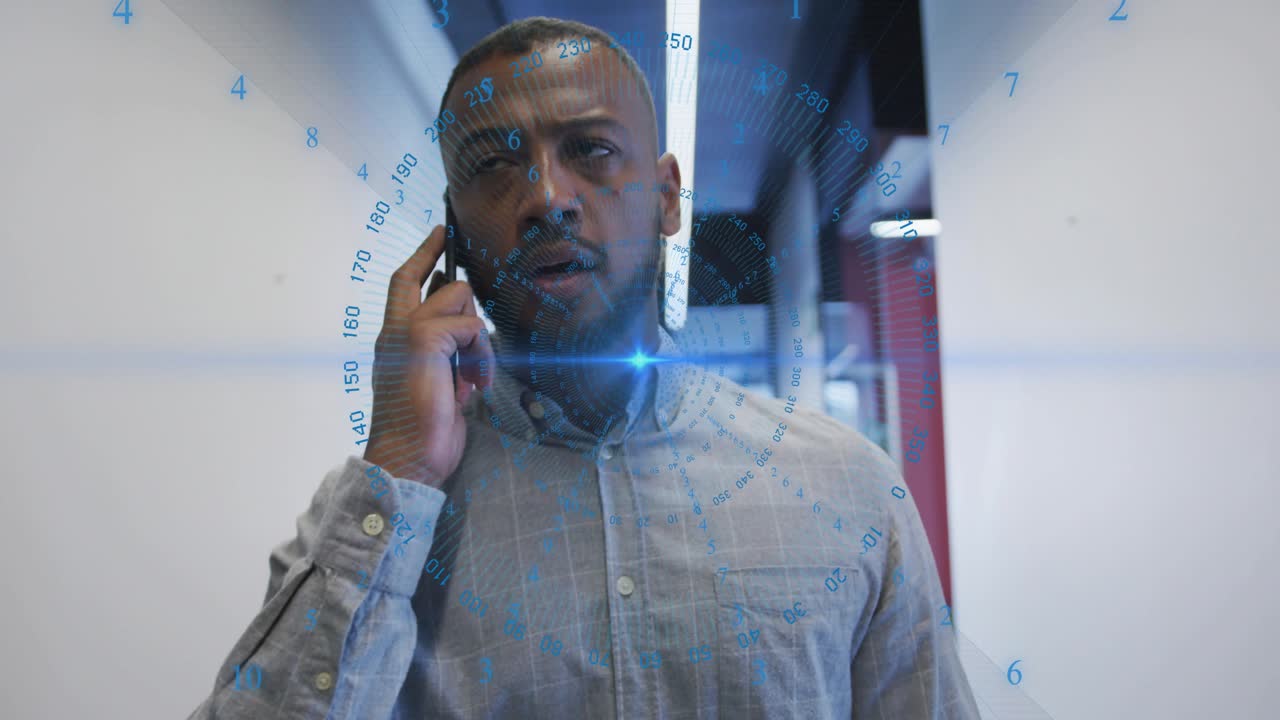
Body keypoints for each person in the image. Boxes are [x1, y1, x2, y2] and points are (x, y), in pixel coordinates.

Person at [188, 16, 981, 719]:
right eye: (495, 167)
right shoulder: (381, 515)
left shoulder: (849, 487)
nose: (546, 196)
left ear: (669, 198)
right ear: (452, 228)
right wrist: (400, 472)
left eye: (591, 150)